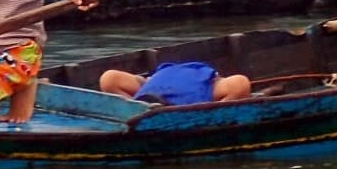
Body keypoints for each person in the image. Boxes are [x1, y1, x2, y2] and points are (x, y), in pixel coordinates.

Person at [100, 60, 251, 105]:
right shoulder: (213, 82)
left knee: (109, 78)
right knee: (109, 78)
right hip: (153, 87)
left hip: (156, 90)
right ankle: (135, 110)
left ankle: (139, 109)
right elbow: (240, 84)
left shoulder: (209, 82)